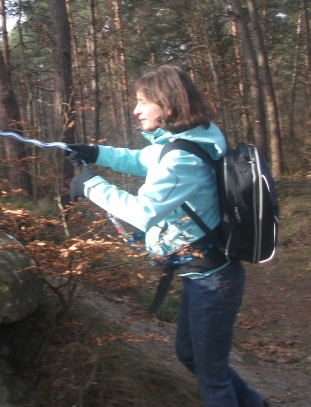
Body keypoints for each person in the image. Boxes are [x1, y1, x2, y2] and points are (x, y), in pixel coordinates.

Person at [66, 65, 267, 407]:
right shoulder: (185, 141)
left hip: (212, 281)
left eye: (143, 102)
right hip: (202, 275)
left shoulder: (182, 158)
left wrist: (91, 185)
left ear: (168, 107)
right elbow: (141, 159)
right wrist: (95, 152)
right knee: (190, 355)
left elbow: (143, 213)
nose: (136, 110)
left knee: (211, 378)